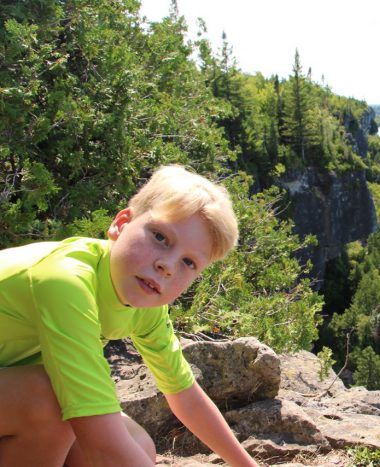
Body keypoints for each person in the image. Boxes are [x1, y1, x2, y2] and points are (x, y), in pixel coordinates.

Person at [0, 165, 258, 466]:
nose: (168, 266)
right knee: (51, 402)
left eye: (188, 262)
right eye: (160, 237)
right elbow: (103, 444)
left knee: (137, 446)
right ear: (121, 223)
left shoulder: (144, 305)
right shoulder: (65, 279)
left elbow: (184, 395)